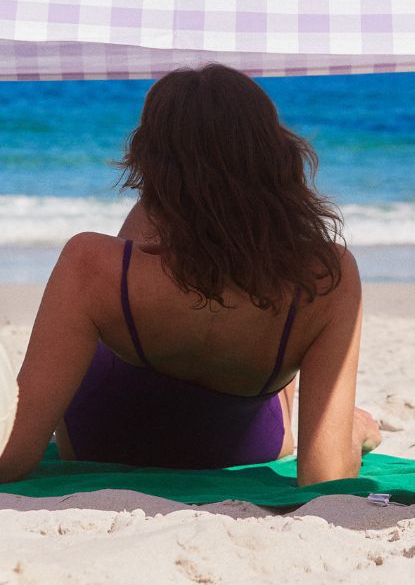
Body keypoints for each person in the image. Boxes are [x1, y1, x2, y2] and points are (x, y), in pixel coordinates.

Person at [0, 64, 380, 486]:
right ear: (275, 153)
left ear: (145, 158)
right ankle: (353, 418)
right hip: (251, 445)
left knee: (130, 258)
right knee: (285, 355)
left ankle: (176, 189)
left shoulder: (89, 261)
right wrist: (355, 430)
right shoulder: (327, 274)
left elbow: (11, 460)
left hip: (99, 439)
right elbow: (323, 479)